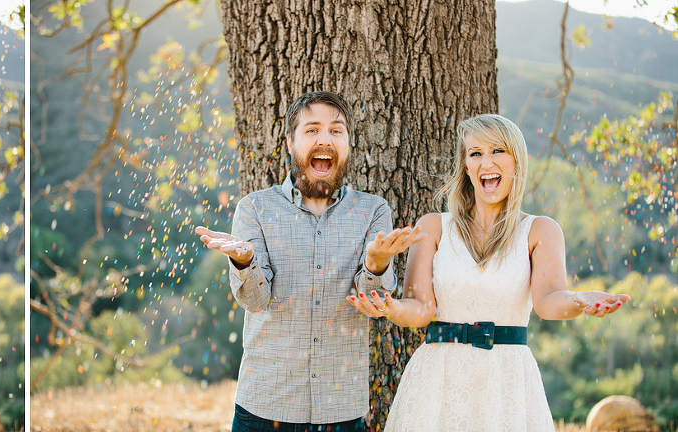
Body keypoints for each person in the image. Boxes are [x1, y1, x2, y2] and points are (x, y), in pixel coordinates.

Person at [346, 114, 630, 431]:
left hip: (507, 381)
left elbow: (549, 301)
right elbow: (420, 309)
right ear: (465, 166)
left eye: (498, 151)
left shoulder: (540, 230)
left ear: (516, 162)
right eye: (476, 153)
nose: (487, 161)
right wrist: (392, 307)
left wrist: (579, 300)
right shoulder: (434, 226)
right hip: (438, 381)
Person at [197, 91, 424, 431]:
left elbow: (374, 304)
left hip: (341, 411)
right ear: (290, 142)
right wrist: (245, 261)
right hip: (264, 407)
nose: (325, 139)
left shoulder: (372, 211)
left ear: (348, 144)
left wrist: (376, 263)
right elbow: (254, 300)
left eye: (336, 130)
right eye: (312, 129)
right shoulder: (255, 209)